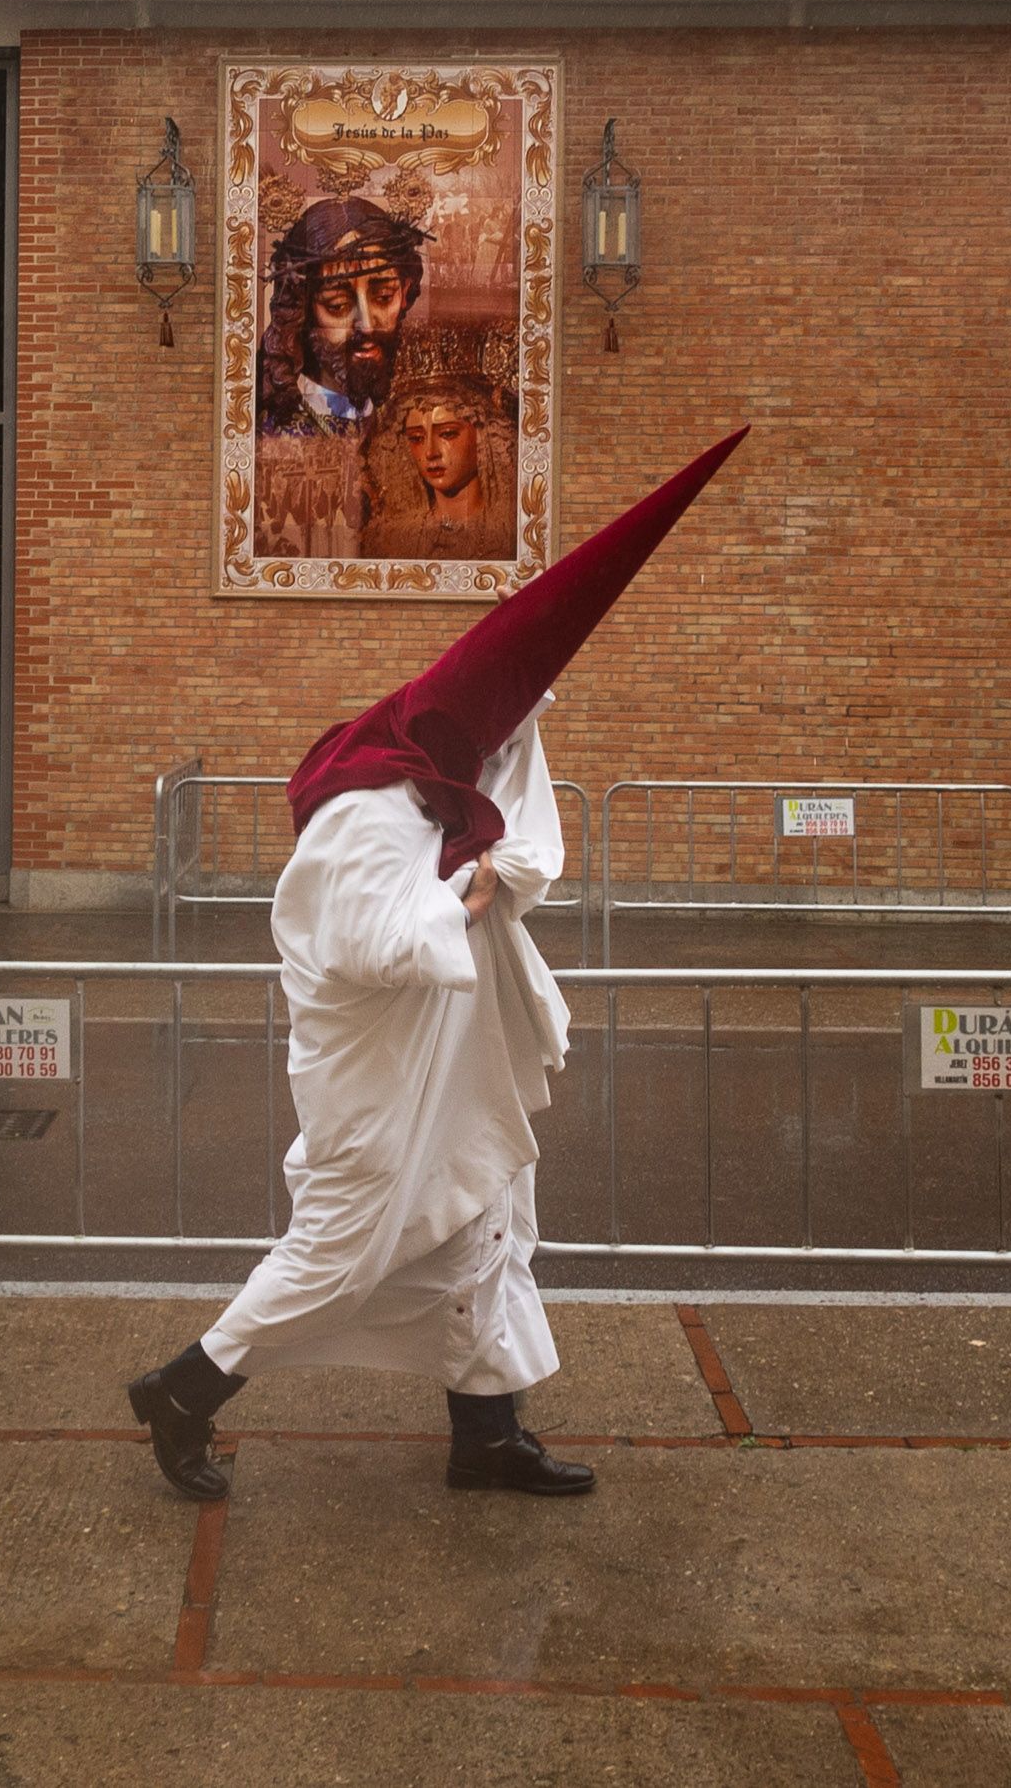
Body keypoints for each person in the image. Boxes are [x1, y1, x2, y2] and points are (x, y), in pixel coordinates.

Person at [128, 427, 746, 1501]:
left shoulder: (433, 776)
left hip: (451, 1065)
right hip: (380, 1085)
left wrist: (485, 871)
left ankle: (487, 1434)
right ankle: (183, 1389)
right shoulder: (366, 810)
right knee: (344, 1249)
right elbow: (367, 940)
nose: (505, 762)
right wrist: (464, 895)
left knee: (486, 1230)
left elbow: (512, 817)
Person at [251, 196, 429, 557]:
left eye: (383, 296)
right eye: (338, 306)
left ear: (405, 292)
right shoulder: (268, 429)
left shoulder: (412, 420)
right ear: (301, 307)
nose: (366, 324)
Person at [362, 325, 518, 561]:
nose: (430, 453)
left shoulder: (511, 534)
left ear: (485, 436)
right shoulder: (390, 538)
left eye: (447, 434)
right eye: (416, 438)